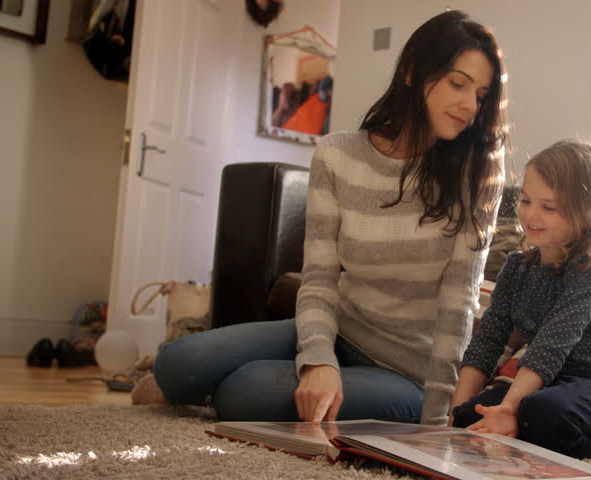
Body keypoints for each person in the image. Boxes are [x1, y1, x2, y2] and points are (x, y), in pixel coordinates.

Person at [152, 10, 508, 426]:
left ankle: (225, 390)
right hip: (342, 330)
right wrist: (319, 361)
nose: (469, 105)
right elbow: (319, 277)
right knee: (175, 362)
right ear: (413, 72)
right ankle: (199, 384)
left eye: (480, 95)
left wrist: (436, 415)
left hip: (407, 374)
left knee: (244, 393)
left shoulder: (476, 173)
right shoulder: (337, 155)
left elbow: (459, 303)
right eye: (457, 83)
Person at [448, 140, 591, 458]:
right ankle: (523, 434)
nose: (530, 215)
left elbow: (552, 344)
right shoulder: (517, 266)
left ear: (586, 213)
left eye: (548, 207)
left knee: (541, 412)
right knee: (471, 417)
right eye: (525, 200)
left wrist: (510, 406)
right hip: (546, 384)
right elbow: (488, 340)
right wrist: (455, 414)